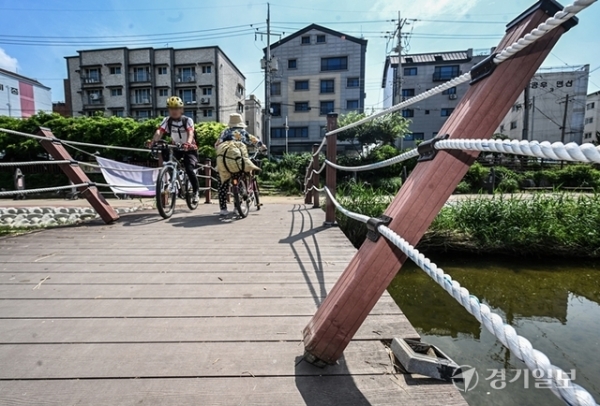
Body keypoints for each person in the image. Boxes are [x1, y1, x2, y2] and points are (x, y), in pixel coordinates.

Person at [150, 96, 200, 204]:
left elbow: (190, 133)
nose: (174, 111)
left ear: (181, 109)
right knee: (168, 163)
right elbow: (160, 131)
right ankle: (175, 180)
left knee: (189, 168)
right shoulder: (167, 120)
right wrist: (153, 141)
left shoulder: (187, 120)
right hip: (176, 147)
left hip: (189, 148)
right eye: (171, 109)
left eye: (177, 108)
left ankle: (196, 192)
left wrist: (188, 143)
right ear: (168, 110)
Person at [215, 113, 265, 216]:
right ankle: (237, 207)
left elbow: (217, 145)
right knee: (239, 176)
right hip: (237, 161)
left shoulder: (225, 132)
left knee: (222, 183)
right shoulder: (243, 132)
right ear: (240, 123)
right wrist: (262, 147)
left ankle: (223, 208)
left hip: (225, 162)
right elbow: (255, 141)